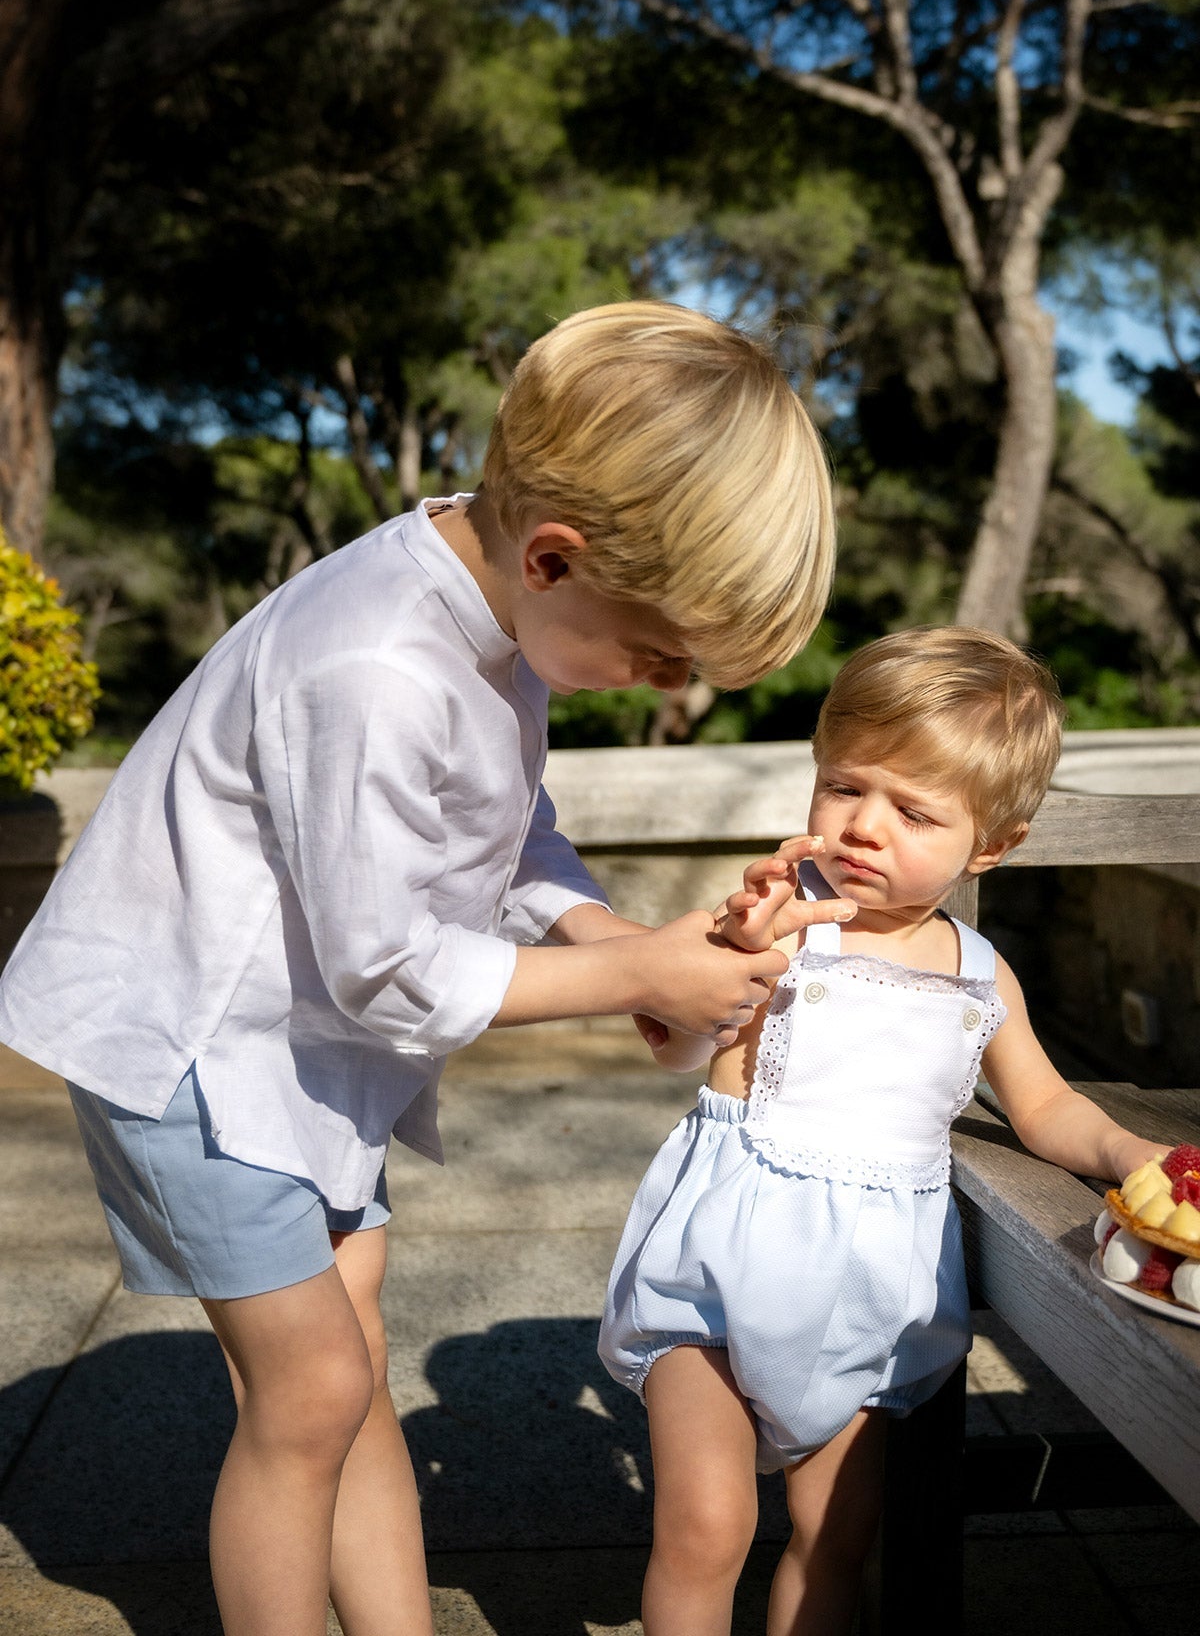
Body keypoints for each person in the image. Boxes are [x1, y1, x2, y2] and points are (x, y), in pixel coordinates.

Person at [0, 300, 840, 1636]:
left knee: (347, 1355)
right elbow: (386, 971)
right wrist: (641, 984)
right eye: (661, 654)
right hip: (189, 1038)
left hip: (288, 1038)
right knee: (311, 1391)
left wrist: (622, 942)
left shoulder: (499, 602)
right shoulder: (381, 664)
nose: (664, 688)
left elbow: (506, 832)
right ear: (557, 557)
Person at [599, 626, 1167, 1636]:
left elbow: (1046, 1108)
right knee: (705, 1527)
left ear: (990, 846)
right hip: (720, 1286)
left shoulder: (979, 974)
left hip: (873, 1306)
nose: (864, 825)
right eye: (844, 786)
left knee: (836, 1543)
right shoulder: (783, 923)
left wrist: (1131, 1155)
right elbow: (681, 1049)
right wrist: (739, 945)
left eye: (913, 810)